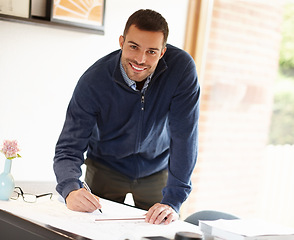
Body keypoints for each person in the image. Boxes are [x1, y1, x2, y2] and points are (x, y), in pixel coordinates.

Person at [53, 9, 200, 225]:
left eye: (151, 51)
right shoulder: (93, 81)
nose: (140, 59)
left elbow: (185, 137)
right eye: (134, 47)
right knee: (93, 230)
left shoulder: (182, 70)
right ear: (121, 42)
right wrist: (70, 188)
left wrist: (174, 200)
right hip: (105, 167)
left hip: (156, 168)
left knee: (159, 231)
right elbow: (68, 147)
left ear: (162, 52)